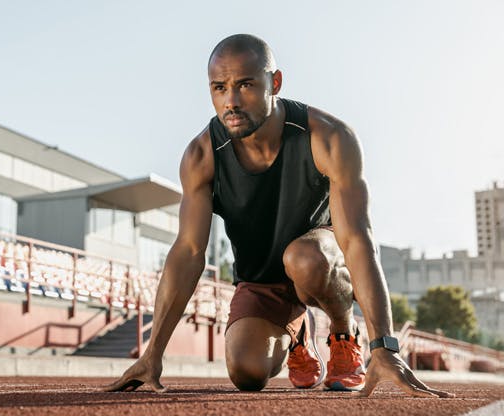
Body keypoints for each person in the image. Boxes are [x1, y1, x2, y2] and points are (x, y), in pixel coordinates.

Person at [105, 34, 451, 398]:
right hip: (261, 280)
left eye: (246, 85)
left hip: (321, 260)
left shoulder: (328, 137)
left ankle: (343, 333)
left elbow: (357, 241)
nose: (231, 101)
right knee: (246, 371)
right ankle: (298, 330)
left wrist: (385, 345)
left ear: (276, 82)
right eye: (219, 88)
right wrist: (153, 353)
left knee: (303, 258)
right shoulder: (202, 156)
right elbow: (188, 252)